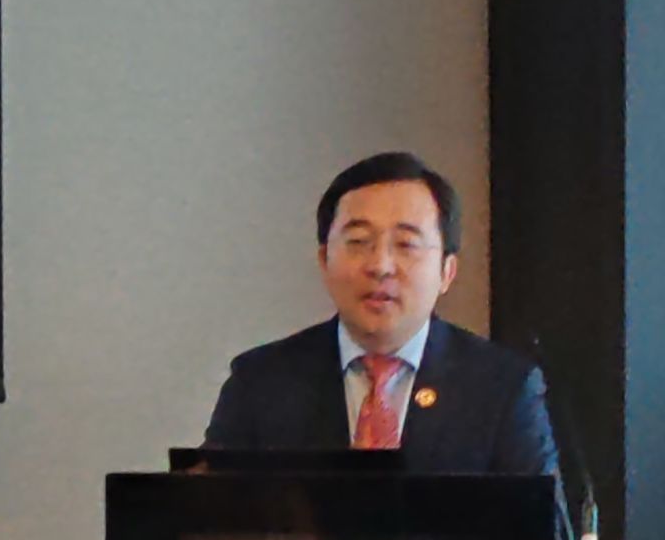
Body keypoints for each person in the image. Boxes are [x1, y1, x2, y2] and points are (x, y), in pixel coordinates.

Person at [204, 151, 559, 475]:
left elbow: (542, 526)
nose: (380, 266)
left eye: (406, 244)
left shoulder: (502, 389)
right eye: (358, 242)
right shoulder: (260, 383)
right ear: (324, 260)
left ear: (447, 272)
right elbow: (206, 518)